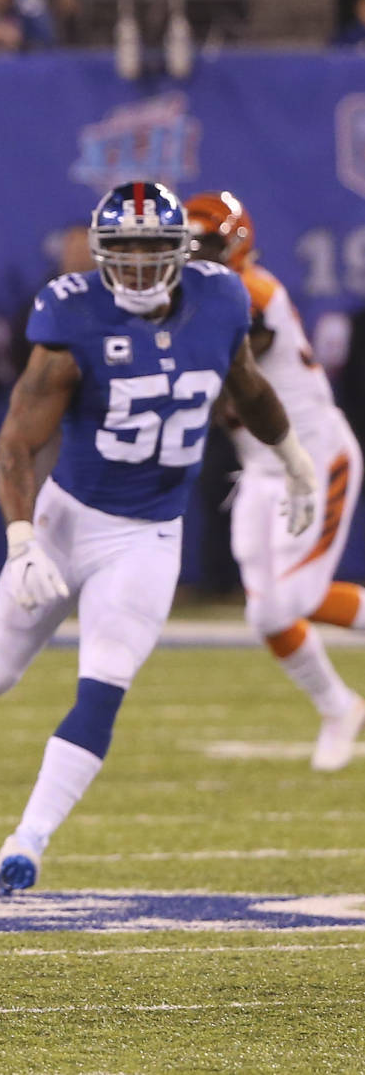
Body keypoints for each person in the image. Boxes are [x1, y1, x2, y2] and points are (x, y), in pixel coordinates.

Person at [0, 182, 317, 893]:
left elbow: (247, 386)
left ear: (181, 253)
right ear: (100, 255)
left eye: (153, 250)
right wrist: (21, 539)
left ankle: (26, 842)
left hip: (148, 535)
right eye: (123, 251)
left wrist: (295, 460)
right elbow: (17, 443)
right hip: (68, 520)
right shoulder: (73, 314)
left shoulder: (220, 300)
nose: (138, 266)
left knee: (103, 689)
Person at [185, 191, 365, 770]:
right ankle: (339, 706)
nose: (197, 257)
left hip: (312, 459)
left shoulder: (251, 294)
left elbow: (224, 367)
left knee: (300, 597)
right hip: (260, 469)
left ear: (235, 245)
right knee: (266, 614)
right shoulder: (187, 298)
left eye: (207, 245)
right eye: (190, 245)